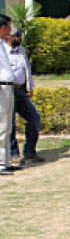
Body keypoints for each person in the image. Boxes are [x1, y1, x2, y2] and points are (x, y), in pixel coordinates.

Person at [5, 30, 42, 164]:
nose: (19, 38)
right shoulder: (2, 52)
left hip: (21, 91)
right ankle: (13, 153)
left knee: (34, 117)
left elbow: (27, 69)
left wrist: (30, 86)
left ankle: (30, 151)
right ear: (9, 37)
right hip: (7, 90)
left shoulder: (21, 51)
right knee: (11, 122)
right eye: (17, 36)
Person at [0, 14, 18, 176]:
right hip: (1, 88)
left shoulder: (2, 45)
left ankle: (6, 161)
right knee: (1, 127)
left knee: (8, 126)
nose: (10, 29)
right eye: (8, 26)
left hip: (8, 88)